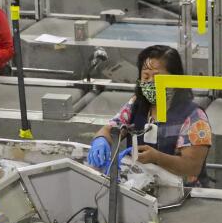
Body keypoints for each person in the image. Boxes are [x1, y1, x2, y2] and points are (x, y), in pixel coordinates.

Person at [86, 45, 212, 186]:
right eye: (146, 76)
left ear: (175, 78)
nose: (151, 82)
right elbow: (111, 129)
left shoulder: (194, 117)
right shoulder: (136, 105)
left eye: (157, 77)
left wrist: (157, 158)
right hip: (140, 190)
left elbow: (192, 167)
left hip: (183, 195)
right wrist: (101, 140)